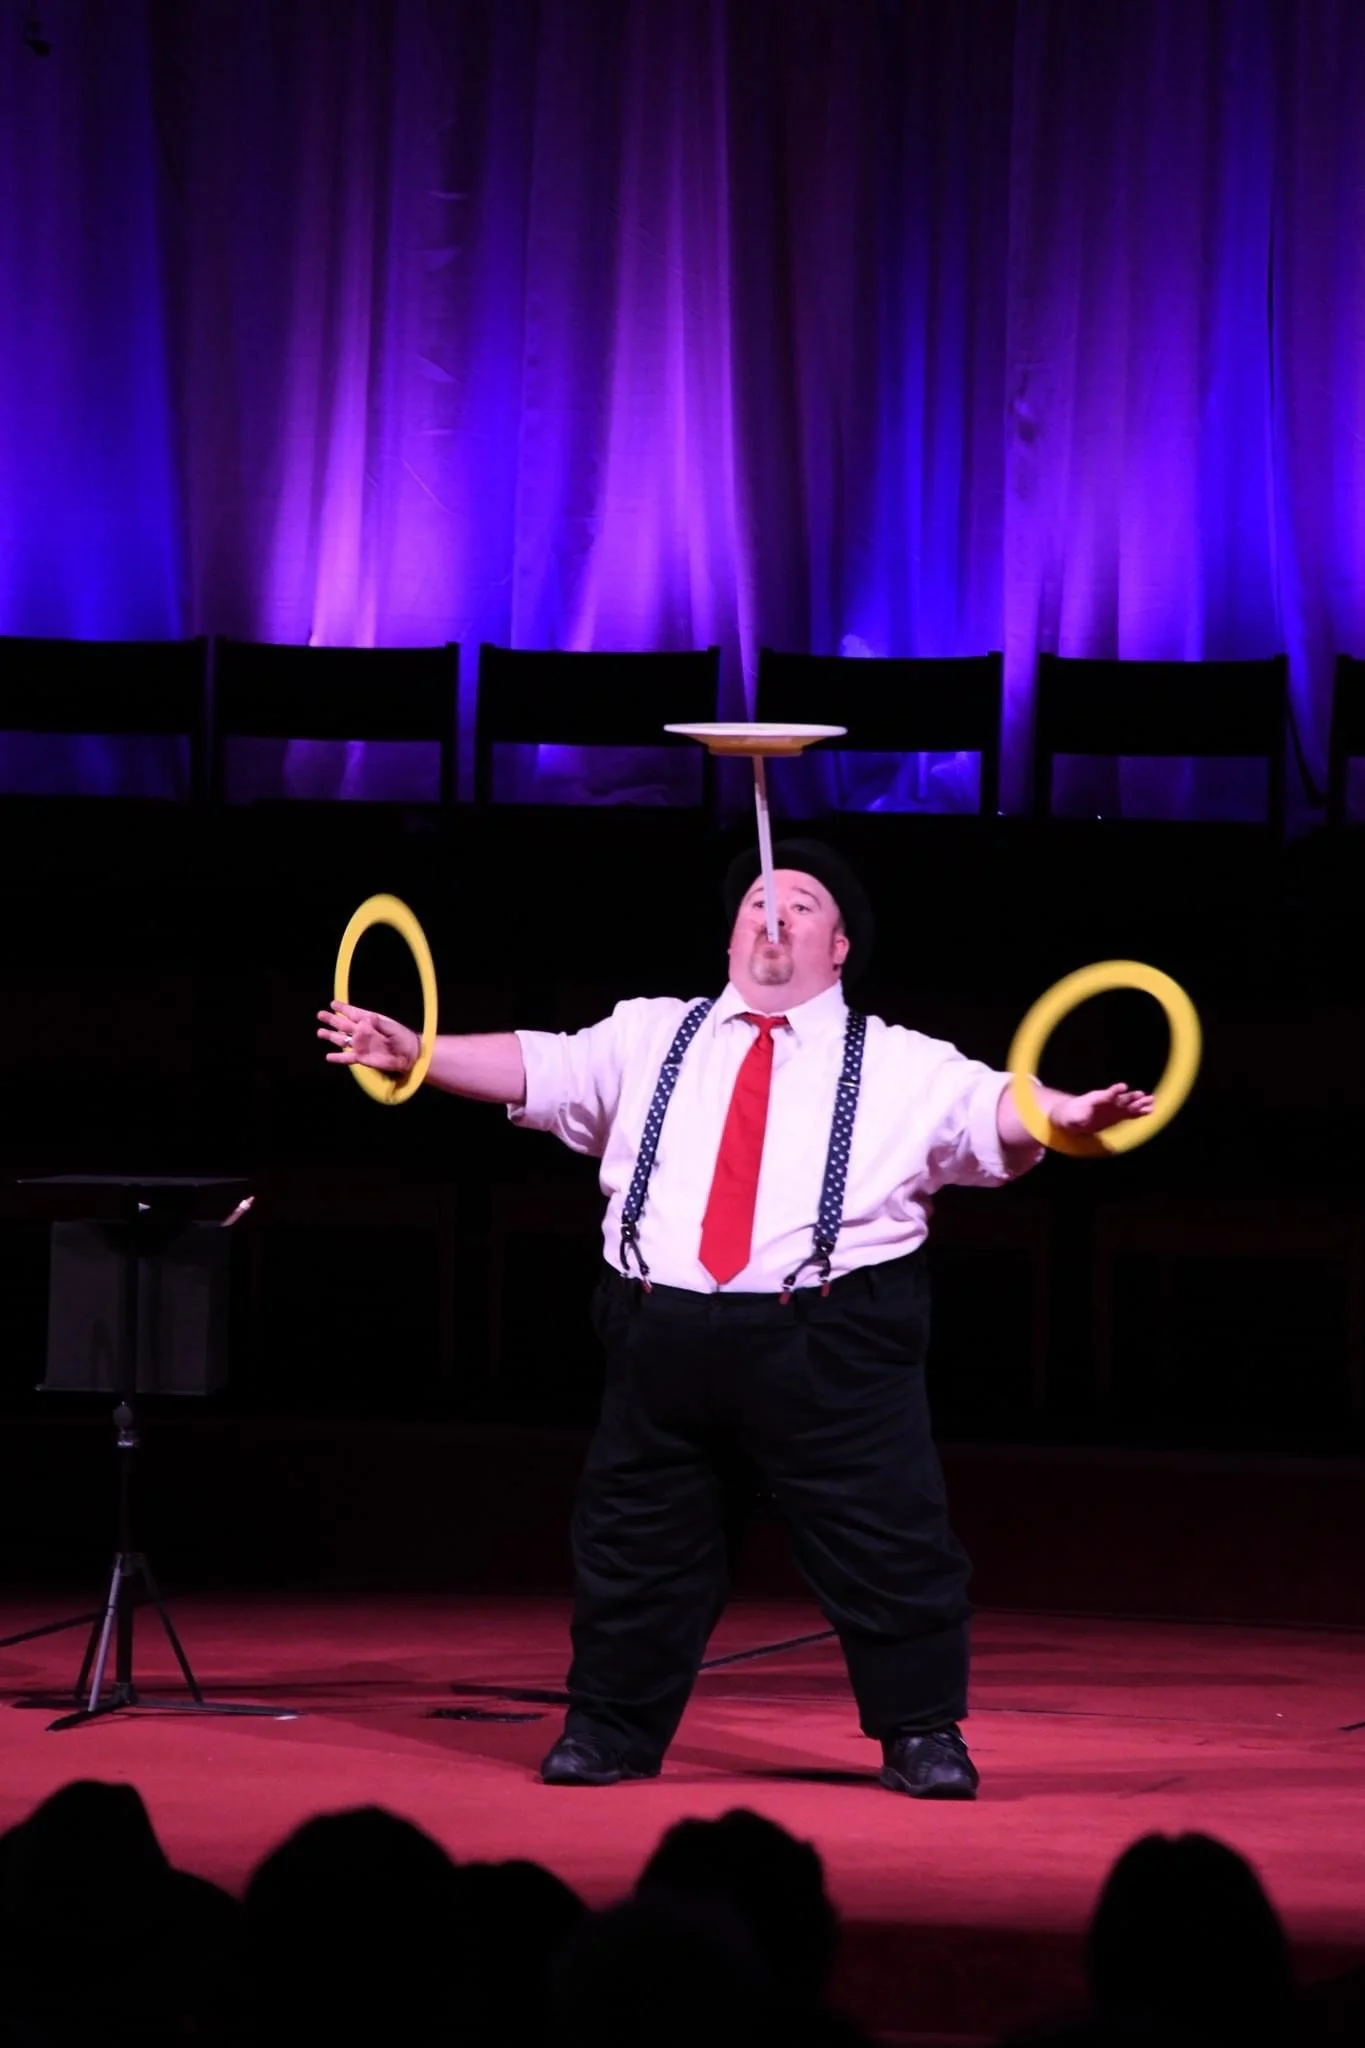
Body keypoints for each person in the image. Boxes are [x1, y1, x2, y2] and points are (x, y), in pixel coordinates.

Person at [318, 838, 1152, 1798]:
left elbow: (994, 1108)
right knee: (634, 1543)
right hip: (658, 1336)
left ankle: (921, 1732)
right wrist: (416, 1053)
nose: (776, 915)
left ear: (838, 946)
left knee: (888, 1542)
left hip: (830, 1346)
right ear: (729, 936)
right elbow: (537, 1067)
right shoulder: (647, 1034)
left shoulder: (899, 1062)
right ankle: (612, 1729)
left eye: (801, 904)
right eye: (760, 899)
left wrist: (1067, 1114)